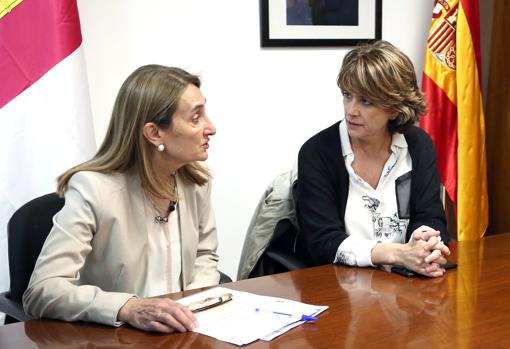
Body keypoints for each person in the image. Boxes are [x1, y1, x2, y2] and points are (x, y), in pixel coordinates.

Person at [23, 65, 219, 333]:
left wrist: (193, 304)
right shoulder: (93, 188)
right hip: (117, 336)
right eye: (196, 118)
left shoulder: (196, 182)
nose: (211, 128)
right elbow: (42, 289)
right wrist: (128, 307)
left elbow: (205, 255)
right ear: (154, 133)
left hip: (180, 334)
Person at [295, 40, 451, 277]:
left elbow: (431, 216)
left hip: (406, 284)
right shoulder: (317, 153)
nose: (351, 110)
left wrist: (426, 245)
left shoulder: (418, 145)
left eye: (366, 101)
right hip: (340, 286)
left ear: (395, 108)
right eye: (347, 95)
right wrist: (399, 254)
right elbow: (322, 243)